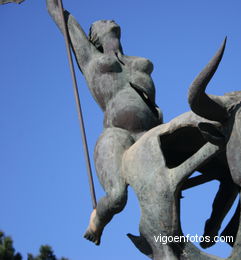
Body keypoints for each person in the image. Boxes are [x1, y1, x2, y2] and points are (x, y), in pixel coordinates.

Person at [46, 0, 163, 245]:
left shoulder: (135, 61)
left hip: (151, 133)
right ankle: (98, 219)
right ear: (94, 37)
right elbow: (59, 15)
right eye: (100, 22)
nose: (107, 20)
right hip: (117, 135)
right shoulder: (91, 59)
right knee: (118, 196)